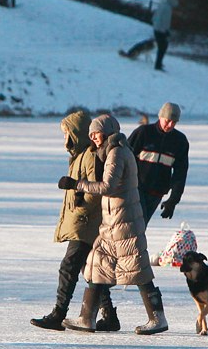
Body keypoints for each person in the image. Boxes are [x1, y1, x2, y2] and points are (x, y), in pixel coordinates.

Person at [57, 114, 169, 335]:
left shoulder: (117, 152)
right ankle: (87, 318)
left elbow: (108, 186)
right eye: (90, 134)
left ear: (107, 131)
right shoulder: (111, 151)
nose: (93, 138)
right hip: (112, 221)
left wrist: (77, 185)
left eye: (96, 133)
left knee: (138, 268)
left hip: (125, 221)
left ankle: (158, 318)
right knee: (97, 264)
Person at [31, 111, 110, 331]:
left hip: (86, 222)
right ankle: (109, 315)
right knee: (91, 268)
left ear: (76, 133)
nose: (64, 138)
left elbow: (96, 190)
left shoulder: (89, 156)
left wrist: (79, 202)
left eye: (67, 133)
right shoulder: (78, 155)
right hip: (81, 220)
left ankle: (58, 314)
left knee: (69, 267)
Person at [127, 102, 189, 226]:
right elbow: (124, 158)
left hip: (156, 193)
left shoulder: (180, 141)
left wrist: (173, 200)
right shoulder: (143, 133)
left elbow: (180, 174)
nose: (170, 125)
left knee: (140, 226)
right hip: (136, 189)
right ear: (160, 116)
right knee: (135, 226)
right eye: (168, 121)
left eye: (174, 122)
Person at [152, 0, 176, 71]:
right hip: (161, 30)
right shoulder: (168, 8)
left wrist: (154, 24)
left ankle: (159, 63)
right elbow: (166, 21)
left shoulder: (162, 4)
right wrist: (166, 31)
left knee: (162, 46)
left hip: (156, 28)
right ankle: (158, 64)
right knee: (163, 47)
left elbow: (154, 16)